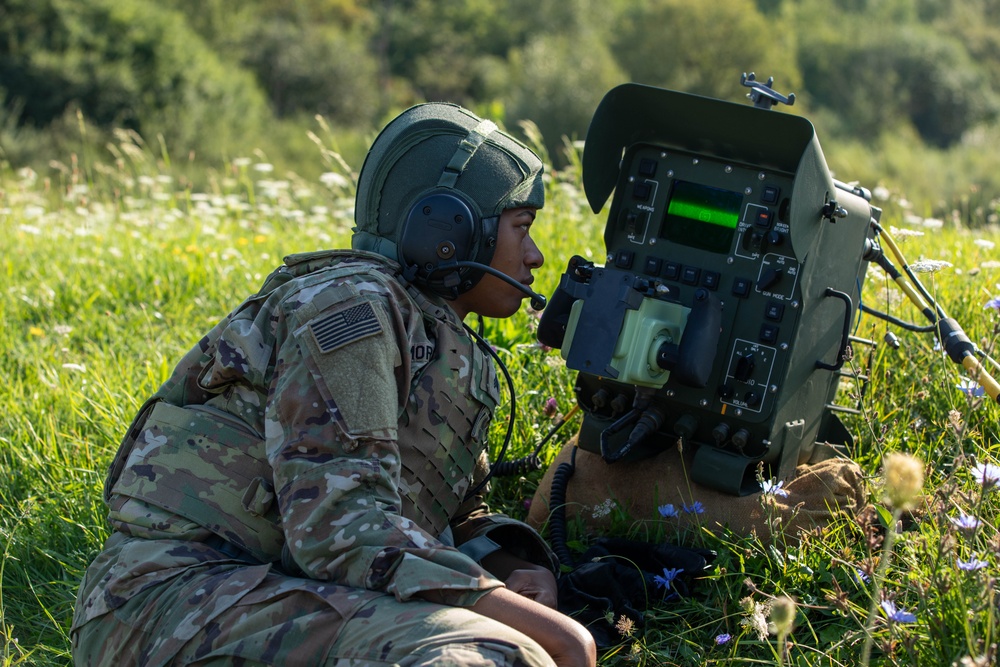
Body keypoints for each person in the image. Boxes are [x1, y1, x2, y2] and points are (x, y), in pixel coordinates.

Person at [72, 103, 597, 667]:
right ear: (452, 231)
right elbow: (338, 526)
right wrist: (534, 623)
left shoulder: (432, 339)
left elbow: (447, 515)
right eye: (522, 228)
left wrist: (513, 567)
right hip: (166, 604)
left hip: (264, 592)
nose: (536, 256)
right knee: (489, 654)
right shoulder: (353, 310)